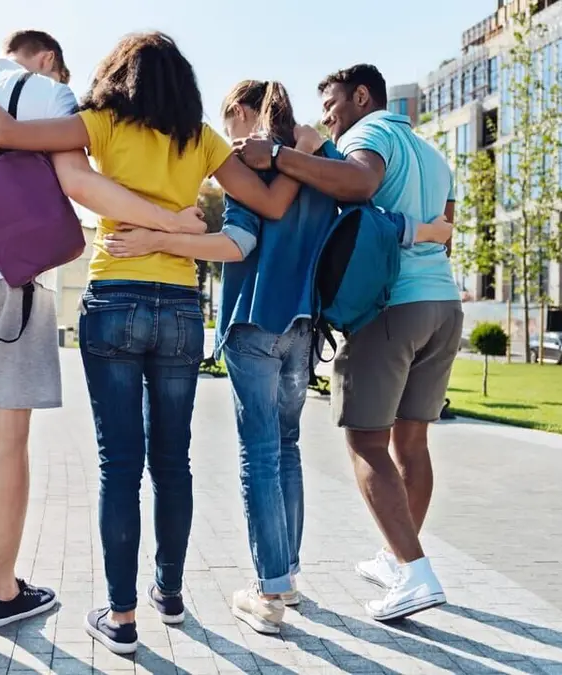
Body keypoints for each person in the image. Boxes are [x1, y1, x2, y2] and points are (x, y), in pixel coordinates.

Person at [0, 32, 316, 654]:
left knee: (120, 465)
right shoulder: (199, 138)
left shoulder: (102, 122)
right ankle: (168, 594)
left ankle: (120, 619)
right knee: (174, 461)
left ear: (119, 76)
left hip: (113, 299)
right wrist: (300, 155)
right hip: (177, 307)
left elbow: (5, 134)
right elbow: (275, 204)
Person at [104, 80, 453, 634]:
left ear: (242, 112)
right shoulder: (321, 159)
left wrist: (157, 240)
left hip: (254, 321)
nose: (229, 137)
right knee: (286, 450)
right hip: (302, 329)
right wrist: (429, 229)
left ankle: (267, 591)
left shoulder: (256, 163)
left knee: (260, 455)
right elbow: (367, 213)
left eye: (229, 120)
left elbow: (237, 245)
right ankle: (286, 577)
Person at [0, 29, 208, 631]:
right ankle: (1, 591)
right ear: (47, 59)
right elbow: (81, 184)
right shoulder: (48, 93)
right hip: (19, 277)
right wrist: (169, 221)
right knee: (8, 438)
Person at [237, 64, 462, 622]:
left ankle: (414, 573)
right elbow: (447, 230)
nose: (329, 116)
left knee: (366, 444)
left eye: (334, 102)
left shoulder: (370, 133)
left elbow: (359, 183)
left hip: (391, 308)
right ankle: (394, 558)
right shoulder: (433, 155)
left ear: (363, 96)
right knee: (412, 445)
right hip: (443, 306)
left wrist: (280, 157)